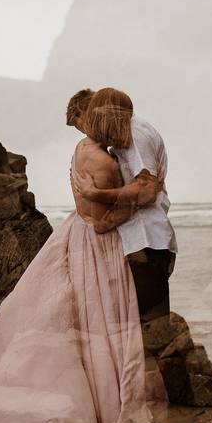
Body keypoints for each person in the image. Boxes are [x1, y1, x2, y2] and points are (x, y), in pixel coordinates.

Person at [0, 88, 164, 423]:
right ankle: (108, 406)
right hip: (98, 246)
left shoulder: (82, 149)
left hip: (73, 234)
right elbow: (100, 224)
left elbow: (86, 210)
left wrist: (103, 197)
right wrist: (121, 207)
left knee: (74, 316)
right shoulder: (106, 163)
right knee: (107, 327)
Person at [71, 90, 177, 323]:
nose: (94, 132)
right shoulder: (124, 136)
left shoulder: (135, 136)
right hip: (141, 240)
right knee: (141, 324)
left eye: (94, 122)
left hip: (146, 240)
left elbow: (147, 191)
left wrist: (95, 193)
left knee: (150, 325)